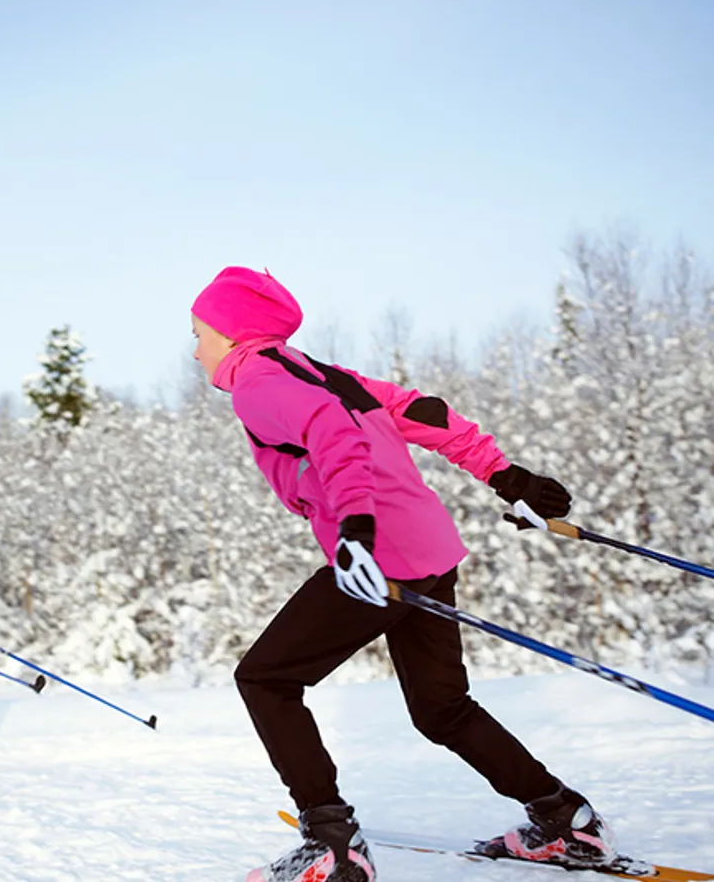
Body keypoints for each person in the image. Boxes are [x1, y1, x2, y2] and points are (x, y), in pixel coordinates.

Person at [190, 267, 616, 882]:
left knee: (265, 680)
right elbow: (423, 412)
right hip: (428, 549)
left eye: (199, 331)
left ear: (232, 335)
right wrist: (505, 475)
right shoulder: (318, 372)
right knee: (442, 708)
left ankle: (332, 844)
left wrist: (356, 532)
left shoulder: (260, 382)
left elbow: (332, 436)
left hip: (379, 557)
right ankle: (564, 819)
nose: (195, 346)